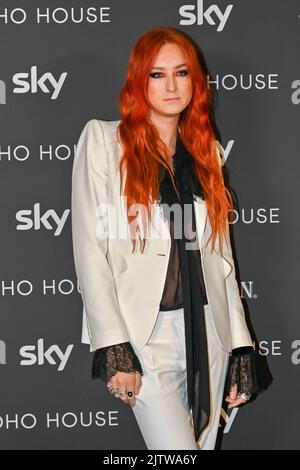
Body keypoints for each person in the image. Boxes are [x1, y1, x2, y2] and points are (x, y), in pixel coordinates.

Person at [71, 27, 272, 450]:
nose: (171, 85)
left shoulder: (207, 152)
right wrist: (114, 345)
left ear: (194, 82)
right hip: (146, 336)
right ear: (138, 82)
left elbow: (221, 260)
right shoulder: (104, 142)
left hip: (209, 332)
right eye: (157, 74)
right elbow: (91, 248)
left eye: (181, 73)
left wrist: (240, 347)